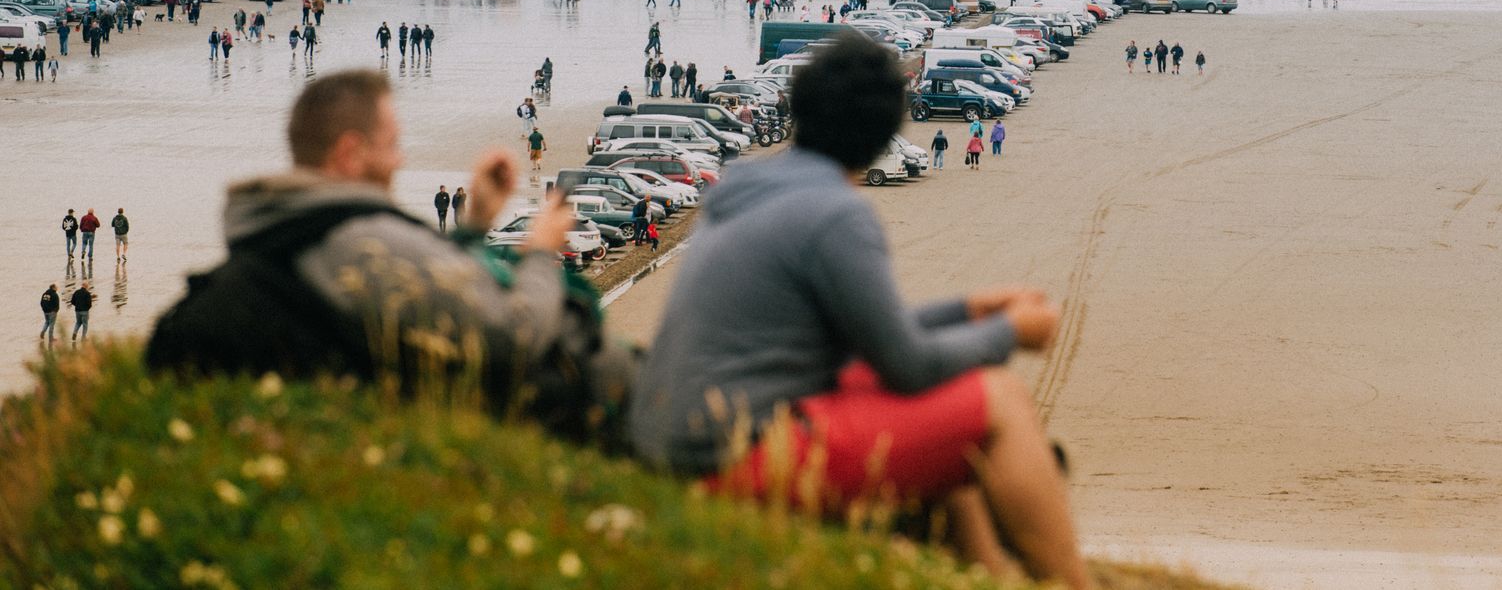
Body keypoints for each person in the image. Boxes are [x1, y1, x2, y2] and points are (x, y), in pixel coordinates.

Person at [627, 34, 1087, 587]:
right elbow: (907, 366)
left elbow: (871, 335)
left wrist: (969, 310)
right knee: (1001, 398)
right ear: (885, 134)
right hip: (730, 462)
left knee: (949, 425)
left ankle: (987, 575)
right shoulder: (835, 213)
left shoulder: (754, 188)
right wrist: (1009, 331)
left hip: (676, 446)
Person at [145, 70, 626, 444]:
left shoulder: (283, 227)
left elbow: (420, 286)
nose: (400, 161)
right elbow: (513, 335)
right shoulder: (356, 237)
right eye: (393, 145)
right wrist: (541, 251)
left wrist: (476, 225)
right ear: (351, 153)